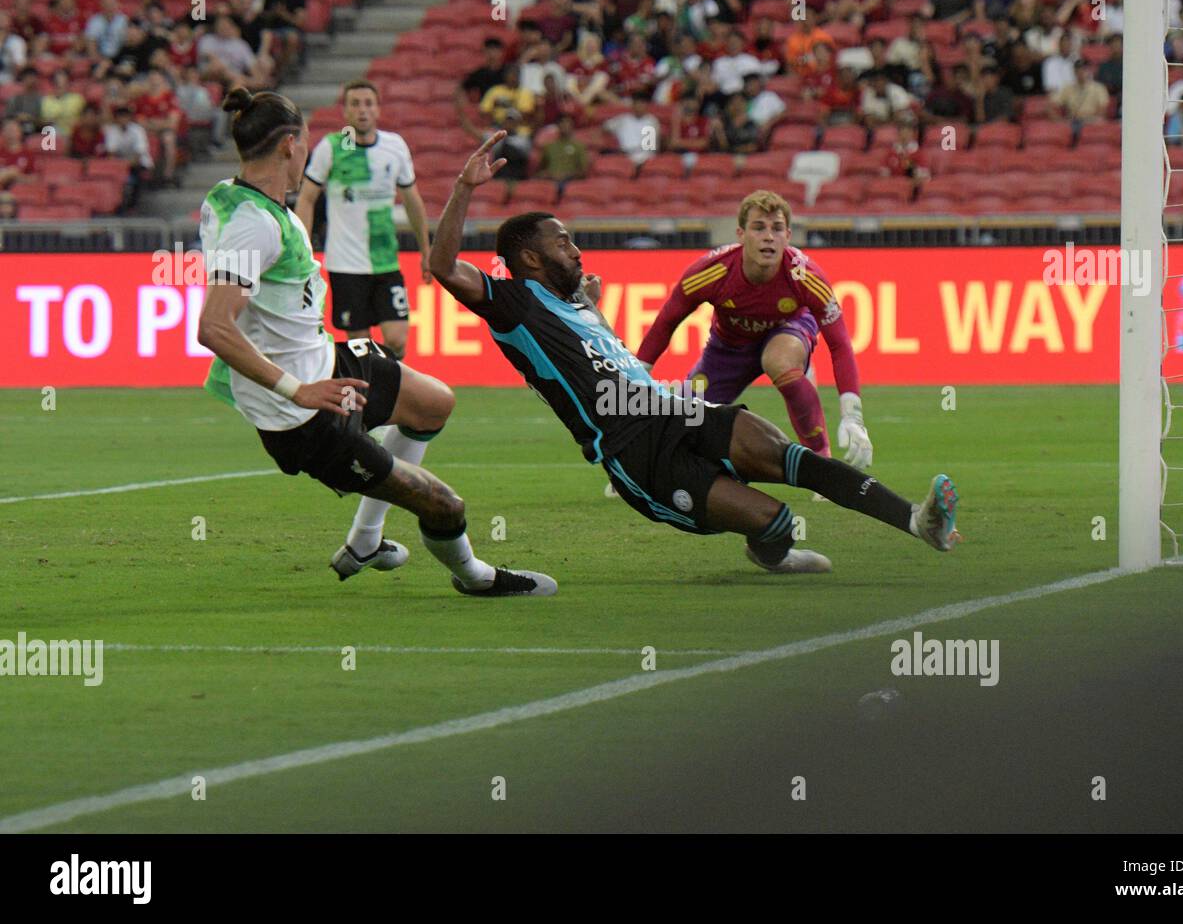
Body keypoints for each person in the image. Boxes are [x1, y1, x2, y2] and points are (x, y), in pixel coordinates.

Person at [428, 133, 961, 574]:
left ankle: (918, 521)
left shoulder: (575, 302)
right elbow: (445, 266)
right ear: (530, 258)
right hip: (633, 449)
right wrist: (463, 189)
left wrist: (593, 309)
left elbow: (612, 359)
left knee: (793, 459)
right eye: (563, 243)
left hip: (670, 409)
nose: (576, 249)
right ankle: (769, 547)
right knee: (774, 521)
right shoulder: (514, 306)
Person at [198, 89, 553, 596]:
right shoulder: (254, 225)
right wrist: (297, 390)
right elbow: (213, 327)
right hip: (303, 415)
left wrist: (460, 187)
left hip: (330, 360)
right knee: (445, 506)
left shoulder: (234, 198)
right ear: (290, 146)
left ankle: (365, 539)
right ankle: (474, 576)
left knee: (433, 404)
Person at [637, 187, 875, 476]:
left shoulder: (804, 275)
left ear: (788, 236)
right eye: (758, 227)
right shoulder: (712, 271)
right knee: (687, 414)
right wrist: (636, 377)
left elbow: (840, 345)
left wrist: (853, 416)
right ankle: (642, 468)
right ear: (740, 234)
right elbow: (666, 322)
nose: (768, 236)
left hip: (790, 329)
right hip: (728, 348)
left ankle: (820, 462)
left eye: (777, 229)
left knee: (779, 361)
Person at [295, 79, 430, 360]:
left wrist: (426, 250)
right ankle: (374, 401)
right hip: (345, 265)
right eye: (355, 104)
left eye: (368, 103)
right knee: (361, 350)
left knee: (397, 340)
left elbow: (412, 200)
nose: (362, 110)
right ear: (345, 111)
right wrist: (303, 250)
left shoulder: (394, 146)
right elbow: (306, 199)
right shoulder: (332, 147)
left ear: (378, 109)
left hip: (386, 260)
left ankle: (387, 389)